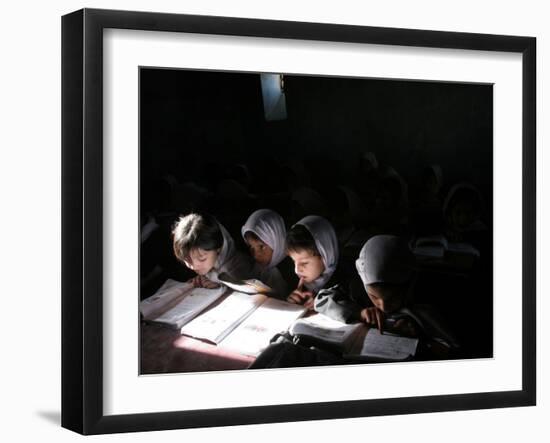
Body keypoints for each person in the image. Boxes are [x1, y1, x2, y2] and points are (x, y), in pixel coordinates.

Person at [172, 212, 253, 288]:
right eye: (187, 259)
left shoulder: (242, 267)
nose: (194, 266)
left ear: (218, 248)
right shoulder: (205, 261)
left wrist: (219, 286)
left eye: (202, 259)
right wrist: (201, 280)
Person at [285, 215, 340, 309]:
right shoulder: (292, 281)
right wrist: (291, 303)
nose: (297, 270)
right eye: (294, 261)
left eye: (304, 263)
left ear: (326, 255)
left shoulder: (345, 284)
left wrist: (322, 304)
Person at [241, 209, 289, 298]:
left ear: (276, 240)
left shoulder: (290, 272)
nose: (255, 255)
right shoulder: (258, 267)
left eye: (261, 247)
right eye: (251, 247)